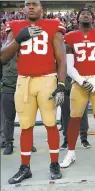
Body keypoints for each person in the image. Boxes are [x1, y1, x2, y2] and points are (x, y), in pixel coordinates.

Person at [0, 0, 66, 184]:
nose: (30, 6)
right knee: (25, 125)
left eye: (34, 4)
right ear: (22, 8)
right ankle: (25, 167)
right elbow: (3, 57)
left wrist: (61, 83)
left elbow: (61, 57)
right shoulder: (14, 26)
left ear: (42, 9)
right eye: (27, 4)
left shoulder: (53, 25)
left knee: (50, 123)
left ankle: (54, 163)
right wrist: (19, 38)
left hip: (47, 79)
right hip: (23, 80)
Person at [60, 7, 95, 168]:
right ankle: (70, 153)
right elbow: (68, 63)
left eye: (89, 13)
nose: (85, 15)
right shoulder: (70, 37)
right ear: (77, 18)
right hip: (79, 80)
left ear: (93, 18)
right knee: (74, 118)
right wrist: (80, 80)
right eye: (82, 13)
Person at [1, 54, 37, 155]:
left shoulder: (26, 53)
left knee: (27, 119)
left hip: (23, 91)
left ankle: (28, 143)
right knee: (9, 120)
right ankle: (9, 144)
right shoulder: (5, 54)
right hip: (7, 91)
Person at [60, 75, 91, 150]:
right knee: (66, 118)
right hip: (66, 92)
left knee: (83, 116)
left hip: (81, 91)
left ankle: (84, 139)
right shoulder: (62, 64)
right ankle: (67, 141)